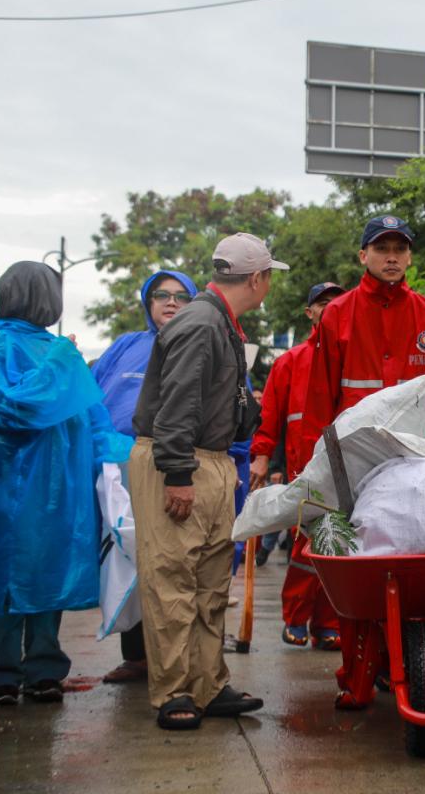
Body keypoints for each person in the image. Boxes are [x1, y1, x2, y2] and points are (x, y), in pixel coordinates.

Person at [299, 215, 425, 709]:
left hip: (420, 472)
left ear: (410, 257)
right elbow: (318, 402)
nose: (391, 256)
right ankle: (356, 674)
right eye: (381, 247)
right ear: (363, 256)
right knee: (359, 578)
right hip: (355, 471)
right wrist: (311, 481)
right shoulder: (338, 316)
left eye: (400, 247)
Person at [130, 232, 287, 730]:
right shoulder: (202, 322)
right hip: (181, 459)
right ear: (258, 278)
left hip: (212, 458)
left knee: (210, 580)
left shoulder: (220, 321)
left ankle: (207, 683)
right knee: (175, 579)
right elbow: (178, 402)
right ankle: (174, 691)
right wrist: (177, 473)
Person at [0, 261, 132, 706]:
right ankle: (6, 673)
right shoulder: (5, 346)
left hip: (48, 490)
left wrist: (136, 455)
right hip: (15, 486)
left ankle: (38, 671)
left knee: (46, 574)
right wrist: (61, 360)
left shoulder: (54, 353)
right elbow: (12, 408)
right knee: (10, 575)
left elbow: (96, 422)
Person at [91, 270, 197, 684]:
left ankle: (177, 657)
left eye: (180, 296)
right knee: (129, 560)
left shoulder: (203, 343)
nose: (169, 302)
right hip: (121, 474)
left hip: (181, 470)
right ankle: (135, 656)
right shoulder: (124, 348)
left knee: (175, 563)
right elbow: (94, 401)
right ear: (147, 303)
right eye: (160, 295)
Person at [249, 280, 345, 649]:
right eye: (322, 303)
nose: (330, 308)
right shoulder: (289, 361)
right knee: (310, 546)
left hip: (348, 467)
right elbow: (270, 415)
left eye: (338, 302)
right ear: (310, 312)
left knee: (338, 546)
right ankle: (296, 617)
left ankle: (327, 623)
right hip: (303, 468)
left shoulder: (352, 355)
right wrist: (261, 457)